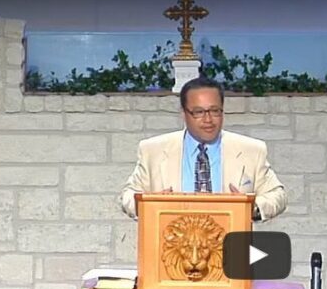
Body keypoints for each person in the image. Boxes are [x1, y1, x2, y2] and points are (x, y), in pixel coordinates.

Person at [118, 76, 287, 221]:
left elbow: (277, 195)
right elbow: (127, 196)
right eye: (198, 112)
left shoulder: (251, 150)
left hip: (231, 244)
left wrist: (251, 207)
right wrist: (149, 204)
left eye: (215, 111)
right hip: (170, 243)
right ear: (184, 113)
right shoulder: (153, 151)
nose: (208, 119)